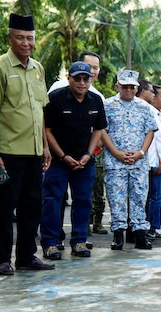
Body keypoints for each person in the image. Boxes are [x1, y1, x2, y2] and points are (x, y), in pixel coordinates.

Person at [0, 13, 53, 275]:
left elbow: (40, 110)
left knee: (32, 206)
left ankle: (26, 256)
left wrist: (45, 147)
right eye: (21, 38)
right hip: (8, 153)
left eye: (30, 38)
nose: (26, 43)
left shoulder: (38, 69)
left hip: (34, 151)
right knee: (3, 209)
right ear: (10, 38)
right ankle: (1, 259)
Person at [40, 61, 107, 260]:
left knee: (84, 201)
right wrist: (62, 155)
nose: (81, 83)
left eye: (85, 79)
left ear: (90, 80)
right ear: (69, 78)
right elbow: (47, 130)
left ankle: (79, 240)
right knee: (52, 200)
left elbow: (99, 129)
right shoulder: (55, 98)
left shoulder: (96, 100)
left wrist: (89, 154)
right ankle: (50, 243)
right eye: (77, 78)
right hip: (59, 160)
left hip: (84, 162)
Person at [102, 69, 157, 250]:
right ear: (117, 86)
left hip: (138, 162)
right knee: (116, 198)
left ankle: (139, 233)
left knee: (139, 197)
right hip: (115, 160)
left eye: (132, 87)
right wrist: (116, 152)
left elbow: (150, 131)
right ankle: (118, 234)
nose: (129, 90)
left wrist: (141, 152)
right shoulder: (108, 105)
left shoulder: (144, 107)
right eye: (125, 86)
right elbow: (102, 131)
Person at [145, 84, 161, 241]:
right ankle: (152, 227)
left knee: (157, 197)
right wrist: (159, 162)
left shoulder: (158, 113)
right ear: (153, 97)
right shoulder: (151, 113)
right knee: (156, 197)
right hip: (157, 163)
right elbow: (153, 140)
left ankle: (153, 227)